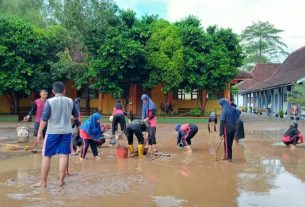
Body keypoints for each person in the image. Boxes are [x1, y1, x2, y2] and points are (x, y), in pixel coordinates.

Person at [36, 81, 79, 187]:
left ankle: (43, 182)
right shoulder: (70, 101)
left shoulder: (49, 101)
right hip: (66, 132)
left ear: (53, 91)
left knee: (47, 156)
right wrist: (70, 118)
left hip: (52, 132)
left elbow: (44, 118)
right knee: (64, 156)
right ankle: (61, 181)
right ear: (64, 91)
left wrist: (39, 131)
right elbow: (76, 115)